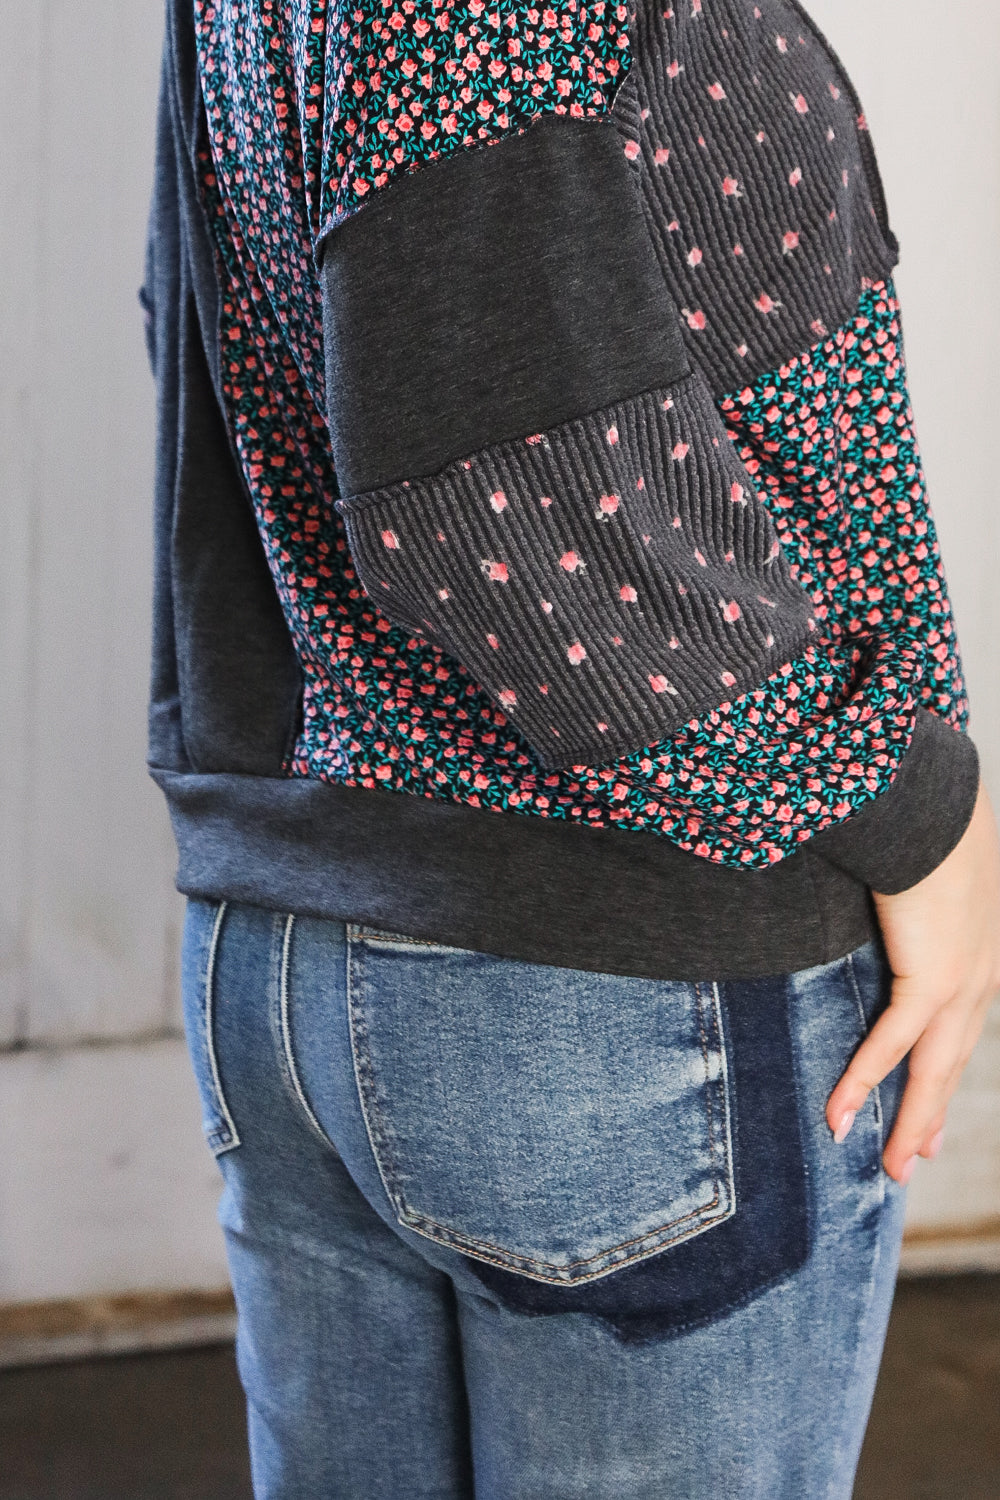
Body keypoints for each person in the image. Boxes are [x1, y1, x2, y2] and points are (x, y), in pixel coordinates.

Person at [141, 0, 1000, 1493]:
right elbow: (506, 497)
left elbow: (218, 332)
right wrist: (914, 808)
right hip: (604, 985)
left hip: (291, 941)